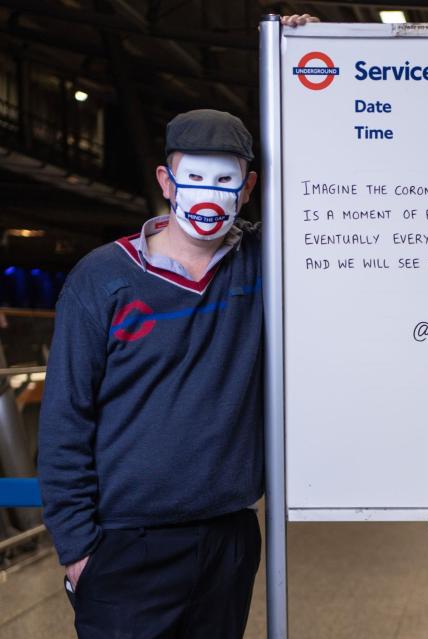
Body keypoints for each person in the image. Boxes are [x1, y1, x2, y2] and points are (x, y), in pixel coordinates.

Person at [38, 108, 265, 638]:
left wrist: (306, 56)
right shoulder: (103, 278)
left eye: (226, 179)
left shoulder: (259, 266)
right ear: (166, 180)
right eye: (194, 176)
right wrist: (77, 549)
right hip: (123, 546)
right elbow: (65, 417)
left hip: (225, 539)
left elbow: (325, 198)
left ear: (249, 187)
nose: (209, 193)